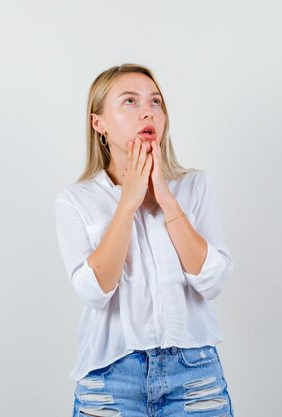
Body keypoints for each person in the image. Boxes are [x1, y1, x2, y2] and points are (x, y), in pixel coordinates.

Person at [54, 63, 236, 417]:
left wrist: (166, 200)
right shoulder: (75, 200)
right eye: (130, 102)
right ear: (99, 123)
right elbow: (94, 290)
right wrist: (128, 204)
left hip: (195, 377)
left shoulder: (194, 187)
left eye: (155, 102)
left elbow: (213, 280)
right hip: (109, 381)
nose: (148, 111)